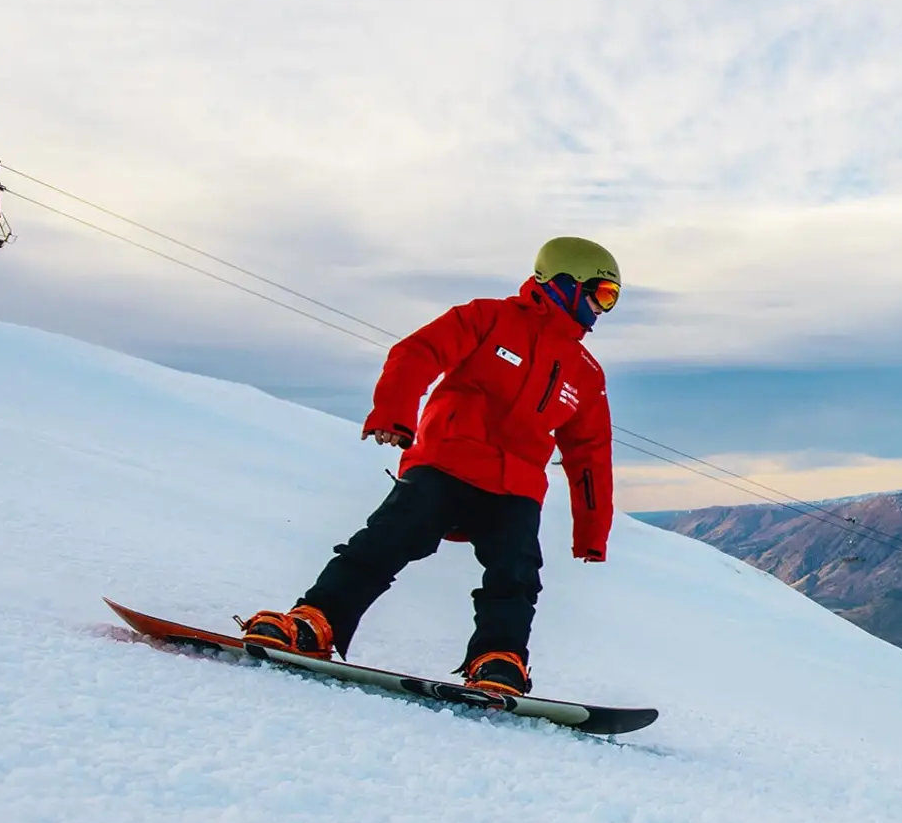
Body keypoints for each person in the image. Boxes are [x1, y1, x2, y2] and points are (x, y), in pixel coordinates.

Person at [240, 237, 619, 696]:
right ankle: (315, 622)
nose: (603, 308)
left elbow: (590, 454)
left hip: (515, 487)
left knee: (516, 576)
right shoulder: (488, 318)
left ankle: (499, 659)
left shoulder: (585, 372)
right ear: (564, 283)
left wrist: (592, 532)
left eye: (611, 299)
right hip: (446, 462)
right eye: (602, 294)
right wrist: (394, 413)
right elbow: (417, 353)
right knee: (386, 540)